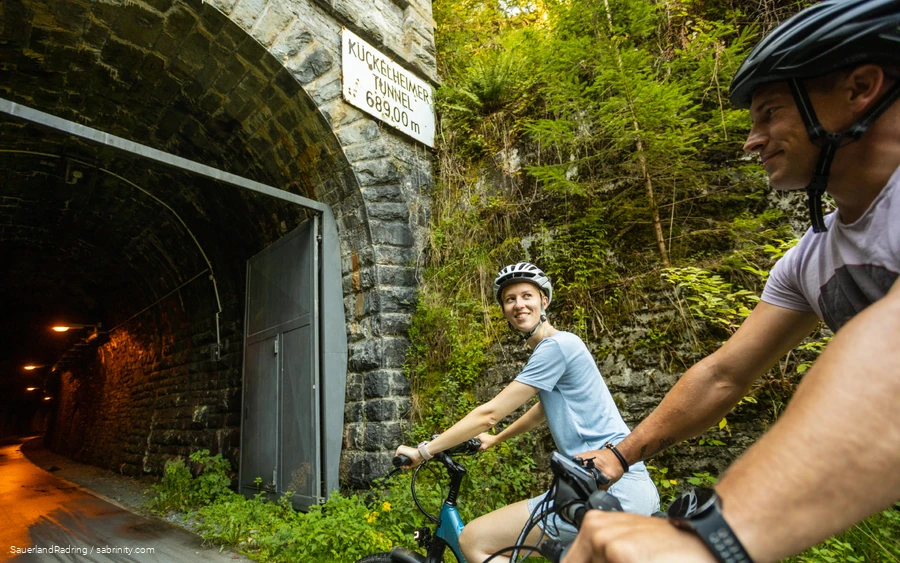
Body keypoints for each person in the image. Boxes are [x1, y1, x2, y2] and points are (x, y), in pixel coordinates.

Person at [561, 1, 900, 561]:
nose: (752, 139)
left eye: (769, 114)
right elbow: (721, 376)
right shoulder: (807, 261)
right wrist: (619, 456)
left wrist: (719, 537)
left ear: (859, 88)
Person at [395, 262, 659, 562]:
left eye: (526, 296)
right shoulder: (559, 346)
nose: (518, 305)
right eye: (510, 299)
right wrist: (497, 439)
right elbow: (543, 409)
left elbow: (489, 413)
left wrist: (423, 451)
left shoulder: (556, 347)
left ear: (543, 301)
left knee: (474, 539)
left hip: (606, 488)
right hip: (623, 484)